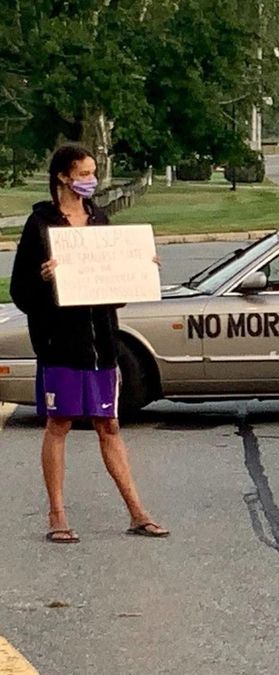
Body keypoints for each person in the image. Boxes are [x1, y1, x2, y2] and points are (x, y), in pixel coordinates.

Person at [10, 145, 169, 543]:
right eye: (83, 172)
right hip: (59, 345)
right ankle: (57, 515)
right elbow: (20, 292)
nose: (90, 179)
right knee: (59, 423)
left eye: (93, 172)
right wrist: (45, 280)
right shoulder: (40, 224)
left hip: (101, 344)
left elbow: (112, 290)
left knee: (109, 424)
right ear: (64, 176)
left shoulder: (99, 220)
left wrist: (137, 271)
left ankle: (137, 512)